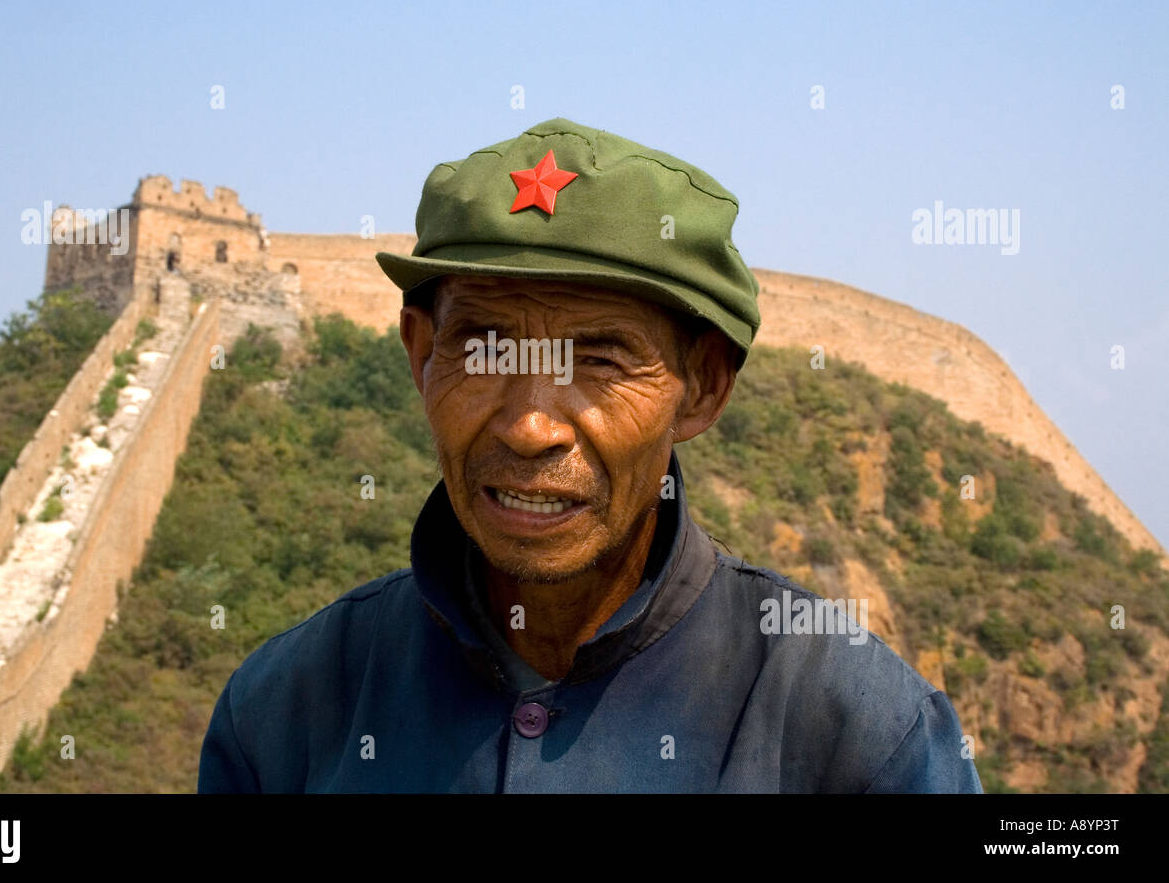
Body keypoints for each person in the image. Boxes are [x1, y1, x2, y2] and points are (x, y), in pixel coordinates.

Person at [198, 117, 982, 792]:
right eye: (486, 348)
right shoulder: (284, 715)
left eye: (601, 358)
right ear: (421, 356)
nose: (531, 426)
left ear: (702, 388)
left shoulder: (858, 731)